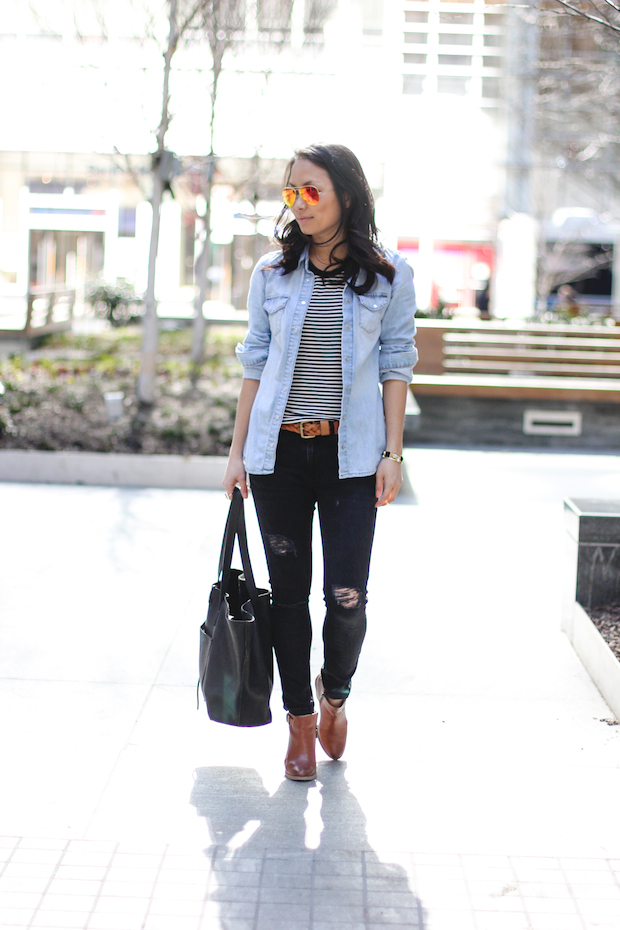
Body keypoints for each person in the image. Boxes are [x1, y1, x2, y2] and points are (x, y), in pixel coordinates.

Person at [222, 143, 417, 781]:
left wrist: (392, 453)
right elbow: (254, 365)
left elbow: (395, 366)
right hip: (279, 455)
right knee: (287, 598)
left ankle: (336, 695)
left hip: (352, 458)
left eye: (313, 191)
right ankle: (300, 721)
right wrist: (236, 452)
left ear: (347, 197)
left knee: (348, 596)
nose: (300, 204)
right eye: (292, 192)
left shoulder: (388, 277)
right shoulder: (271, 276)